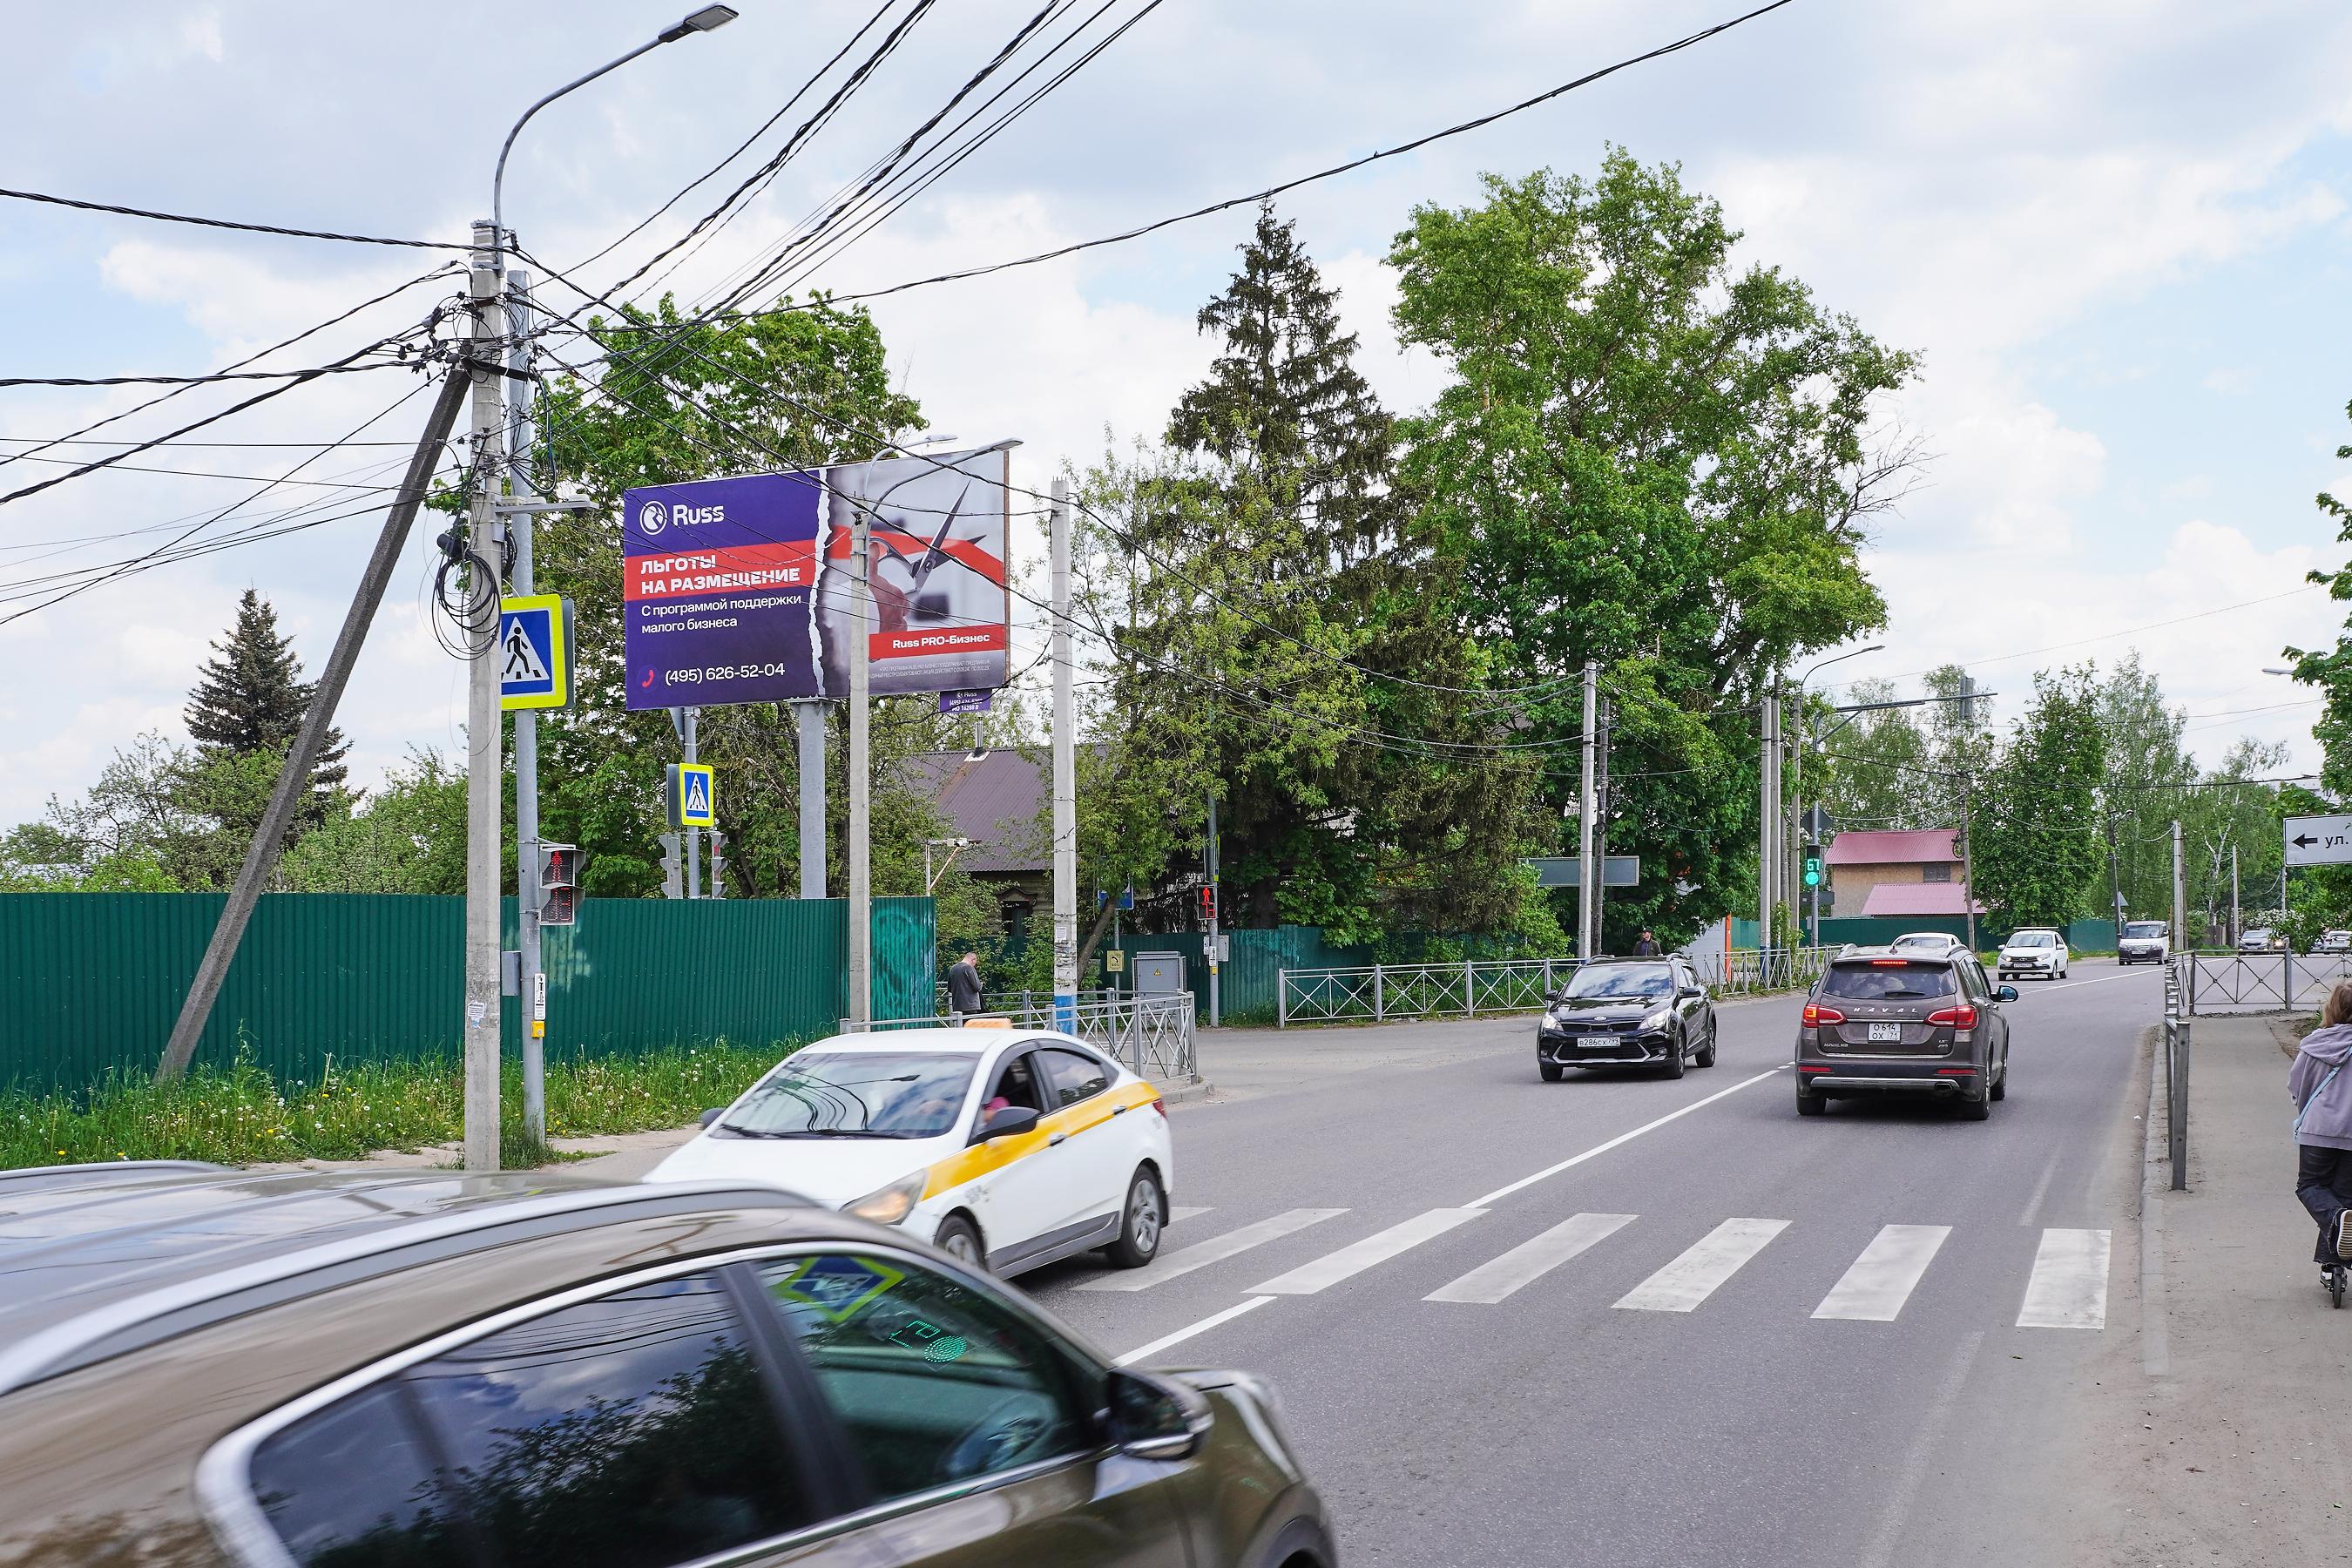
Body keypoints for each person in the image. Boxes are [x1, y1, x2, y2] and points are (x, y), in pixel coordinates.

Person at [2289, 982, 2352, 1267]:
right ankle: (2333, 1266)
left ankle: (2337, 1221)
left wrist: (2307, 1111)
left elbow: (2297, 1085)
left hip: (2319, 1129)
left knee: (2310, 1186)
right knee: (2343, 1196)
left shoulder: (2316, 1044)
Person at [946, 950, 985, 1023]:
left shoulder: (953, 969)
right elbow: (977, 987)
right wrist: (981, 984)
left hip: (957, 1006)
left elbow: (949, 989)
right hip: (971, 1006)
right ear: (973, 960)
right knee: (971, 1027)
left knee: (960, 1027)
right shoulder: (969, 968)